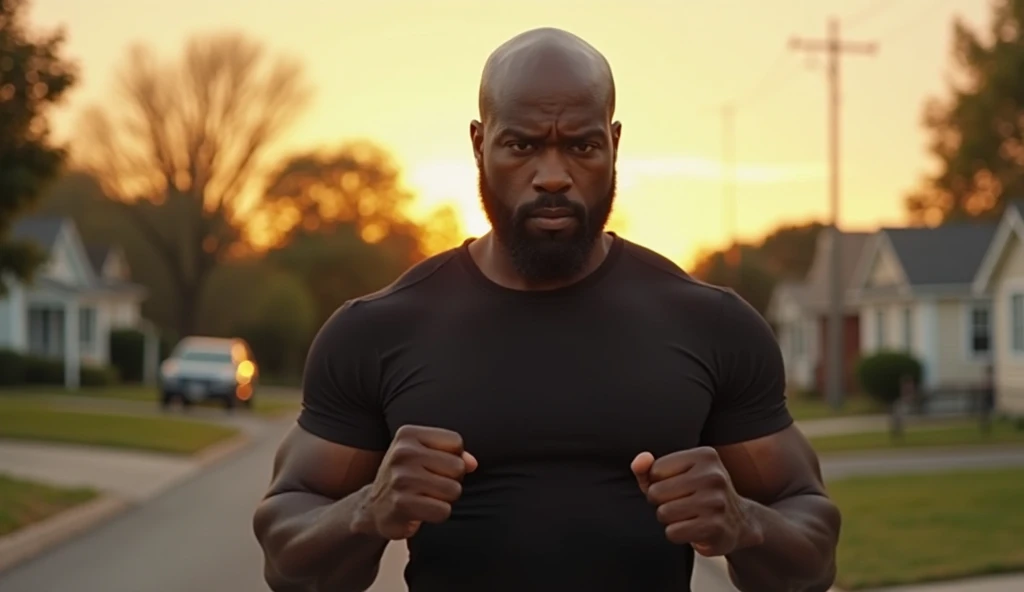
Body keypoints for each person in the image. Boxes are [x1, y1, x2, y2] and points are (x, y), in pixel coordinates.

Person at [252, 27, 841, 592]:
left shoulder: (711, 324)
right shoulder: (377, 331)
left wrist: (745, 523)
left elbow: (810, 565)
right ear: (480, 144)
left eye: (582, 146)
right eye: (522, 145)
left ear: (614, 143)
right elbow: (288, 563)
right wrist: (365, 510)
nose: (553, 176)